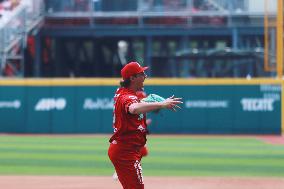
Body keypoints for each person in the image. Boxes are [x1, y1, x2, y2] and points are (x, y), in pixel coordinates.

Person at [108, 61, 183, 189]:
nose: (145, 76)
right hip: (125, 152)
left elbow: (133, 107)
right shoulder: (127, 97)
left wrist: (143, 102)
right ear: (132, 78)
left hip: (127, 149)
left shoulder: (123, 92)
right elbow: (133, 108)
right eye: (141, 73)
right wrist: (161, 104)